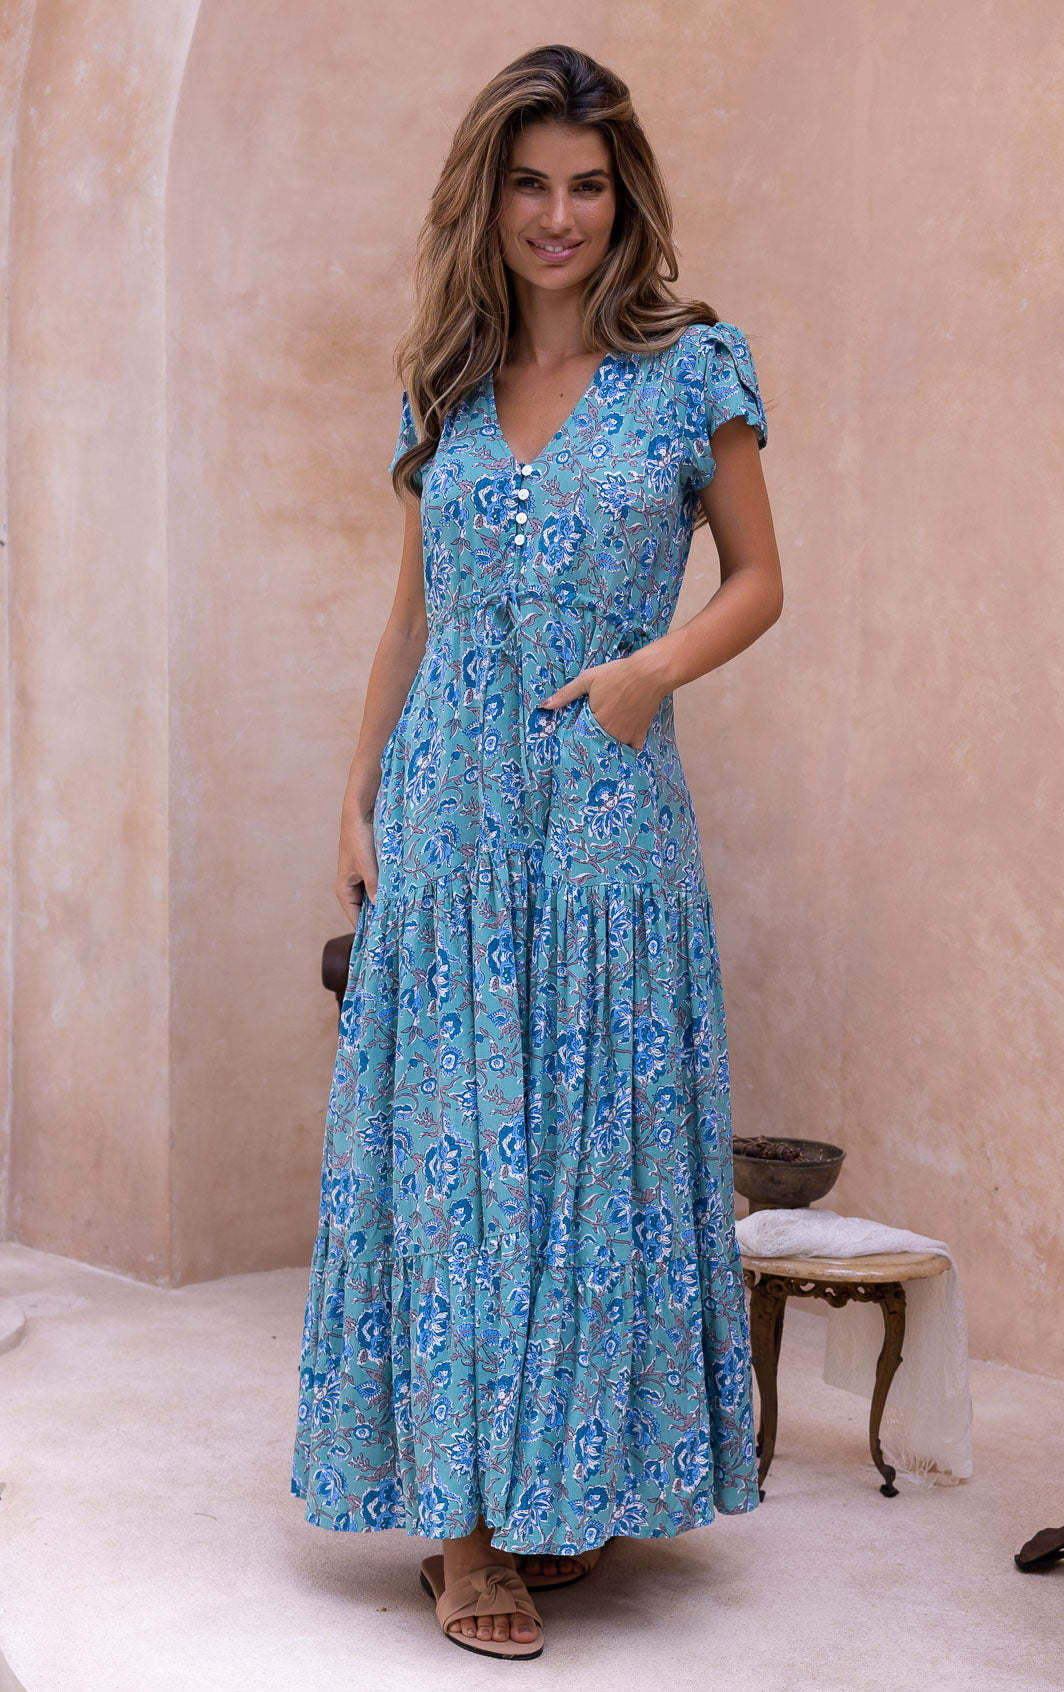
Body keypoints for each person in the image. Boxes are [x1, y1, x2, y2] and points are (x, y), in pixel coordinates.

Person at [290, 41, 784, 1661]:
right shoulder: (446, 381)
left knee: (587, 1159)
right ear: (487, 199)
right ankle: (462, 1534)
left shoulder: (694, 368)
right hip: (451, 815)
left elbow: (757, 582)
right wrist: (356, 787)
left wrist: (652, 673)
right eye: (530, 185)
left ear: (621, 195)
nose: (559, 216)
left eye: (586, 185)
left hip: (606, 817)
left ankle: (554, 1482)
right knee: (452, 1165)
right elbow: (414, 609)